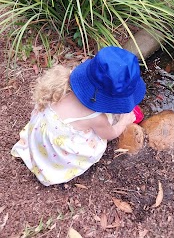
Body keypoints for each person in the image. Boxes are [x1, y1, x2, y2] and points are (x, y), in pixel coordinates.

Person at [11, 46, 146, 186]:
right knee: (96, 145)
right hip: (56, 147)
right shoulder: (96, 118)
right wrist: (124, 121)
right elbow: (110, 134)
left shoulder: (65, 83)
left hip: (42, 132)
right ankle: (53, 165)